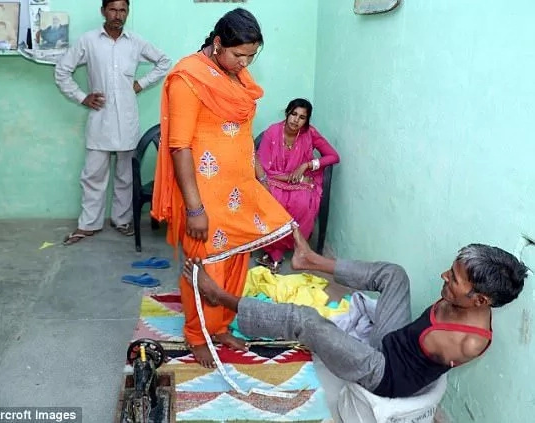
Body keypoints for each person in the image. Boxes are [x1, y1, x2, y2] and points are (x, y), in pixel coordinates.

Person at [183, 225, 528, 397]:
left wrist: (346, 339)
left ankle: (223, 299)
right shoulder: (464, 301)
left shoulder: (467, 342)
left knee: (309, 322)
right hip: (393, 341)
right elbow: (409, 334)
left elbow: (401, 356)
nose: (444, 277)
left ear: (481, 300)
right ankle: (312, 260)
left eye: (454, 279)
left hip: (383, 373)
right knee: (395, 274)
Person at [151, 8, 294, 368]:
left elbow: (242, 130)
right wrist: (195, 208)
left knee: (235, 263)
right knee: (204, 266)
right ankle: (197, 334)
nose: (244, 63)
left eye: (251, 56)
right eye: (238, 54)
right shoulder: (188, 78)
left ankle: (220, 325)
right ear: (217, 44)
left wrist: (257, 167)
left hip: (238, 188)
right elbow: (180, 145)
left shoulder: (235, 76)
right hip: (202, 193)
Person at [55, 0, 171, 244]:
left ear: (127, 13)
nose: (118, 15)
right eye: (113, 9)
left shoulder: (136, 42)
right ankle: (88, 225)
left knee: (125, 176)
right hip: (100, 120)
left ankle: (122, 221)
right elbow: (62, 71)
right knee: (93, 175)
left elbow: (164, 62)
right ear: (103, 11)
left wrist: (141, 83)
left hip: (127, 120)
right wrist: (82, 97)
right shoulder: (88, 40)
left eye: (123, 10)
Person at [255, 98, 340, 273]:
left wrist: (307, 165)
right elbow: (263, 168)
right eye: (293, 114)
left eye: (302, 117)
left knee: (303, 201)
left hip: (299, 182)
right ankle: (273, 250)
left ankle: (289, 248)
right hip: (273, 179)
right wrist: (294, 179)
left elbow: (333, 156)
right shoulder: (272, 132)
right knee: (273, 200)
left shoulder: (310, 133)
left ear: (306, 121)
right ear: (287, 114)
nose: (296, 120)